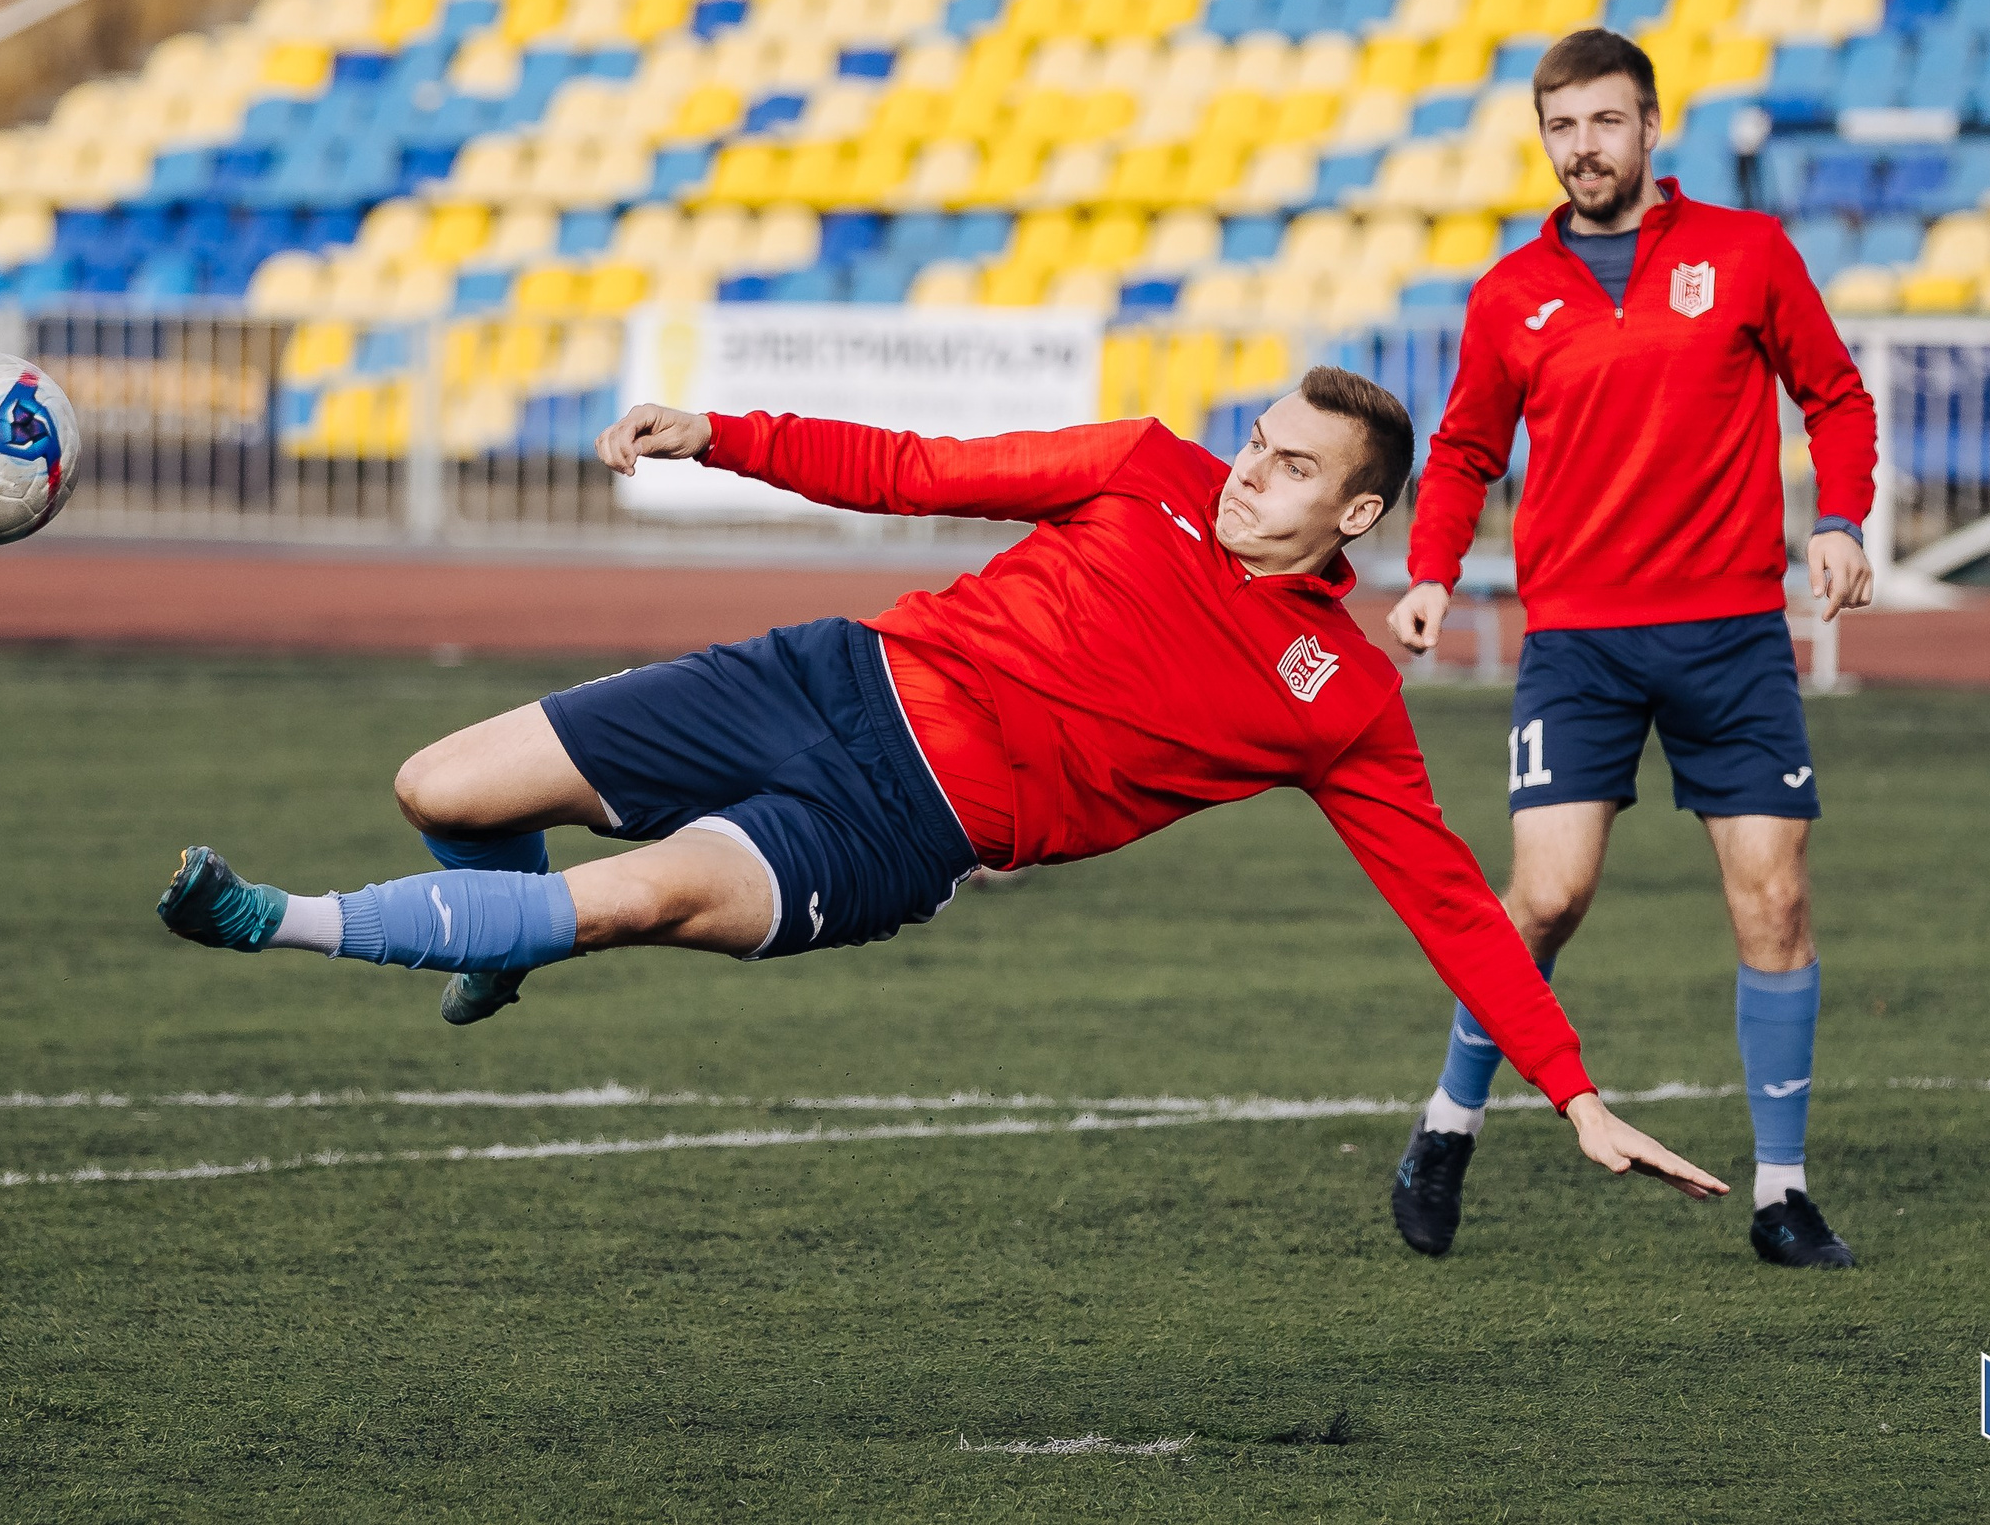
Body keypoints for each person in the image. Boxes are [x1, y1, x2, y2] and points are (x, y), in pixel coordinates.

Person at [158, 366, 1727, 1201]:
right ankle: (498, 944)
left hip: (891, 826)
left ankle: (268, 917)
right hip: (824, 674)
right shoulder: (1139, 467)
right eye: (1256, 440)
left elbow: (1452, 898)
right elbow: (919, 468)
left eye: (1295, 467)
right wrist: (724, 432)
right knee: (438, 776)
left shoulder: (1343, 698)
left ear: (1360, 512)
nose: (1251, 469)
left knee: (620, 893)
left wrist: (1572, 1092)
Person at [1385, 28, 1878, 1269]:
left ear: (1651, 130)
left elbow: (1835, 392)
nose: (1581, 148)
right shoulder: (1510, 292)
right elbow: (1461, 452)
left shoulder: (1745, 253)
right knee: (1545, 898)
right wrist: (1432, 574)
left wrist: (1837, 518)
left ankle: (1780, 1195)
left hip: (1729, 637)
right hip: (1579, 645)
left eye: (1604, 123)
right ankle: (1448, 1123)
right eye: (1560, 128)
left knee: (1772, 901)